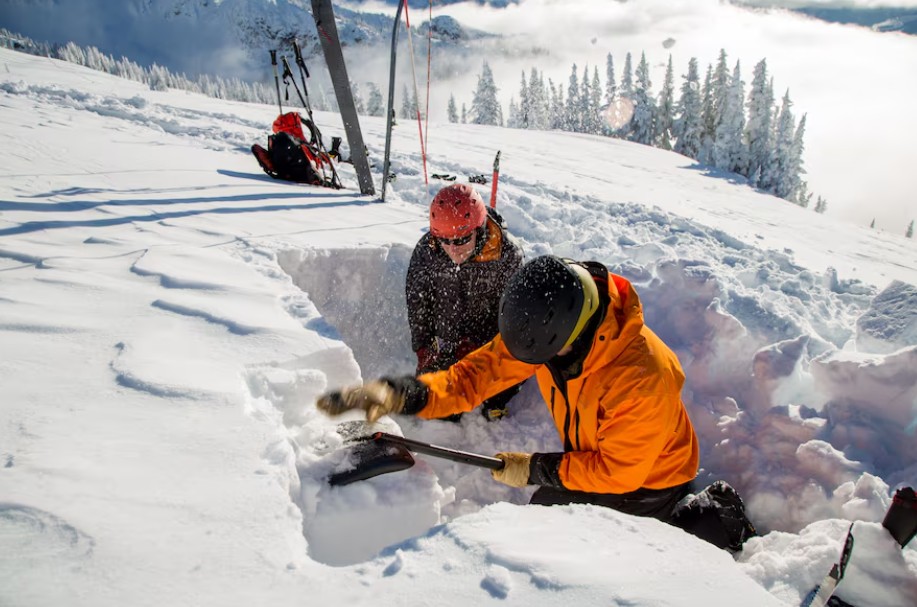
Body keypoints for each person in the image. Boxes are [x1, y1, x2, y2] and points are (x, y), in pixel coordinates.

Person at [318, 255, 699, 521]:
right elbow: (473, 378)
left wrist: (535, 468)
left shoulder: (640, 376)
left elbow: (619, 473)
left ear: (575, 333)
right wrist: (402, 394)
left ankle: (697, 523)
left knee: (554, 524)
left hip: (650, 483)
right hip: (604, 458)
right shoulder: (555, 320)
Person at [405, 183, 524, 421]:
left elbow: (515, 318)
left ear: (478, 229)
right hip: (448, 340)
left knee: (495, 391)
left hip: (489, 344)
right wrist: (423, 347)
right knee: (439, 405)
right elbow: (418, 302)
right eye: (444, 240)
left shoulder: (507, 255)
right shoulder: (427, 249)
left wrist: (487, 350)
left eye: (460, 240)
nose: (452, 249)